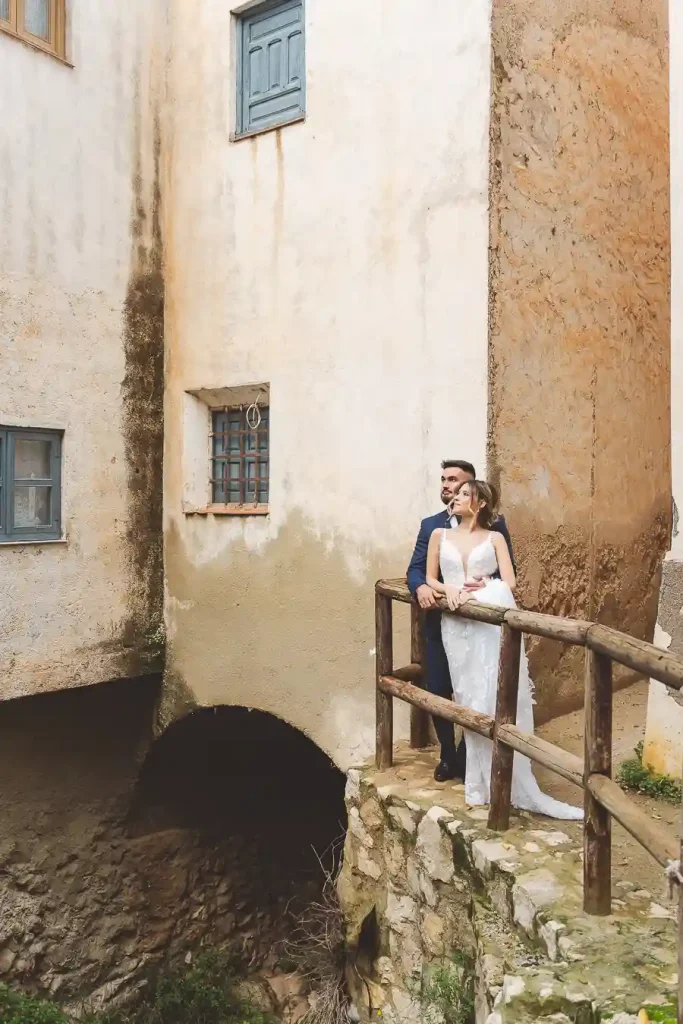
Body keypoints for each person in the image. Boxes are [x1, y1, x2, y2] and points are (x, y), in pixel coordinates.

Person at [425, 479, 582, 818]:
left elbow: (510, 582)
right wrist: (448, 590)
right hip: (455, 625)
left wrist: (483, 586)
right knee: (466, 696)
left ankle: (504, 777)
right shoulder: (440, 534)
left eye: (465, 494)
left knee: (491, 695)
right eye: (457, 493)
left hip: (485, 623)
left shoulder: (495, 538)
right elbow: (430, 578)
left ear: (480, 503)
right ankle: (477, 782)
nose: (456, 497)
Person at [407, 460, 514, 782]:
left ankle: (471, 756)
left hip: (480, 623)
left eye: (453, 480)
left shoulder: (496, 527)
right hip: (442, 623)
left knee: (476, 690)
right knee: (439, 688)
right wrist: (423, 586)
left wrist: (484, 588)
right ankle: (448, 755)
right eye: (443, 478)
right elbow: (415, 569)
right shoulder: (431, 527)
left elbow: (506, 574)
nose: (446, 485)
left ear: (474, 489)